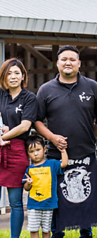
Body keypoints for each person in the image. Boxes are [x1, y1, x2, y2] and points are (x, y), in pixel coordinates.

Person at [35, 45, 97, 238]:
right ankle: (57, 234)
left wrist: (93, 135)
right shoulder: (45, 90)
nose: (68, 63)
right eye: (64, 59)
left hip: (85, 153)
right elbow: (37, 121)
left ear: (79, 64)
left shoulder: (92, 86)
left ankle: (86, 233)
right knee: (58, 200)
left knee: (85, 196)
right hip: (56, 157)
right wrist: (52, 138)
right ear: (57, 63)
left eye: (72, 59)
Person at [0, 58, 37, 238]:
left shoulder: (29, 98)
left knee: (15, 202)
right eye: (9, 73)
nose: (13, 77)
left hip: (17, 150)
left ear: (23, 76)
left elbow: (24, 126)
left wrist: (3, 137)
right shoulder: (1, 95)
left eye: (16, 73)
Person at [23, 135, 68, 238]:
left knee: (46, 230)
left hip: (48, 204)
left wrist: (63, 150)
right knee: (34, 230)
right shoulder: (29, 169)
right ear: (28, 153)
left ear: (44, 149)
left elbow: (64, 163)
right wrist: (28, 183)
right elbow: (26, 188)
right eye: (31, 151)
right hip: (33, 205)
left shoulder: (52, 164)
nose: (35, 153)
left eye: (38, 150)